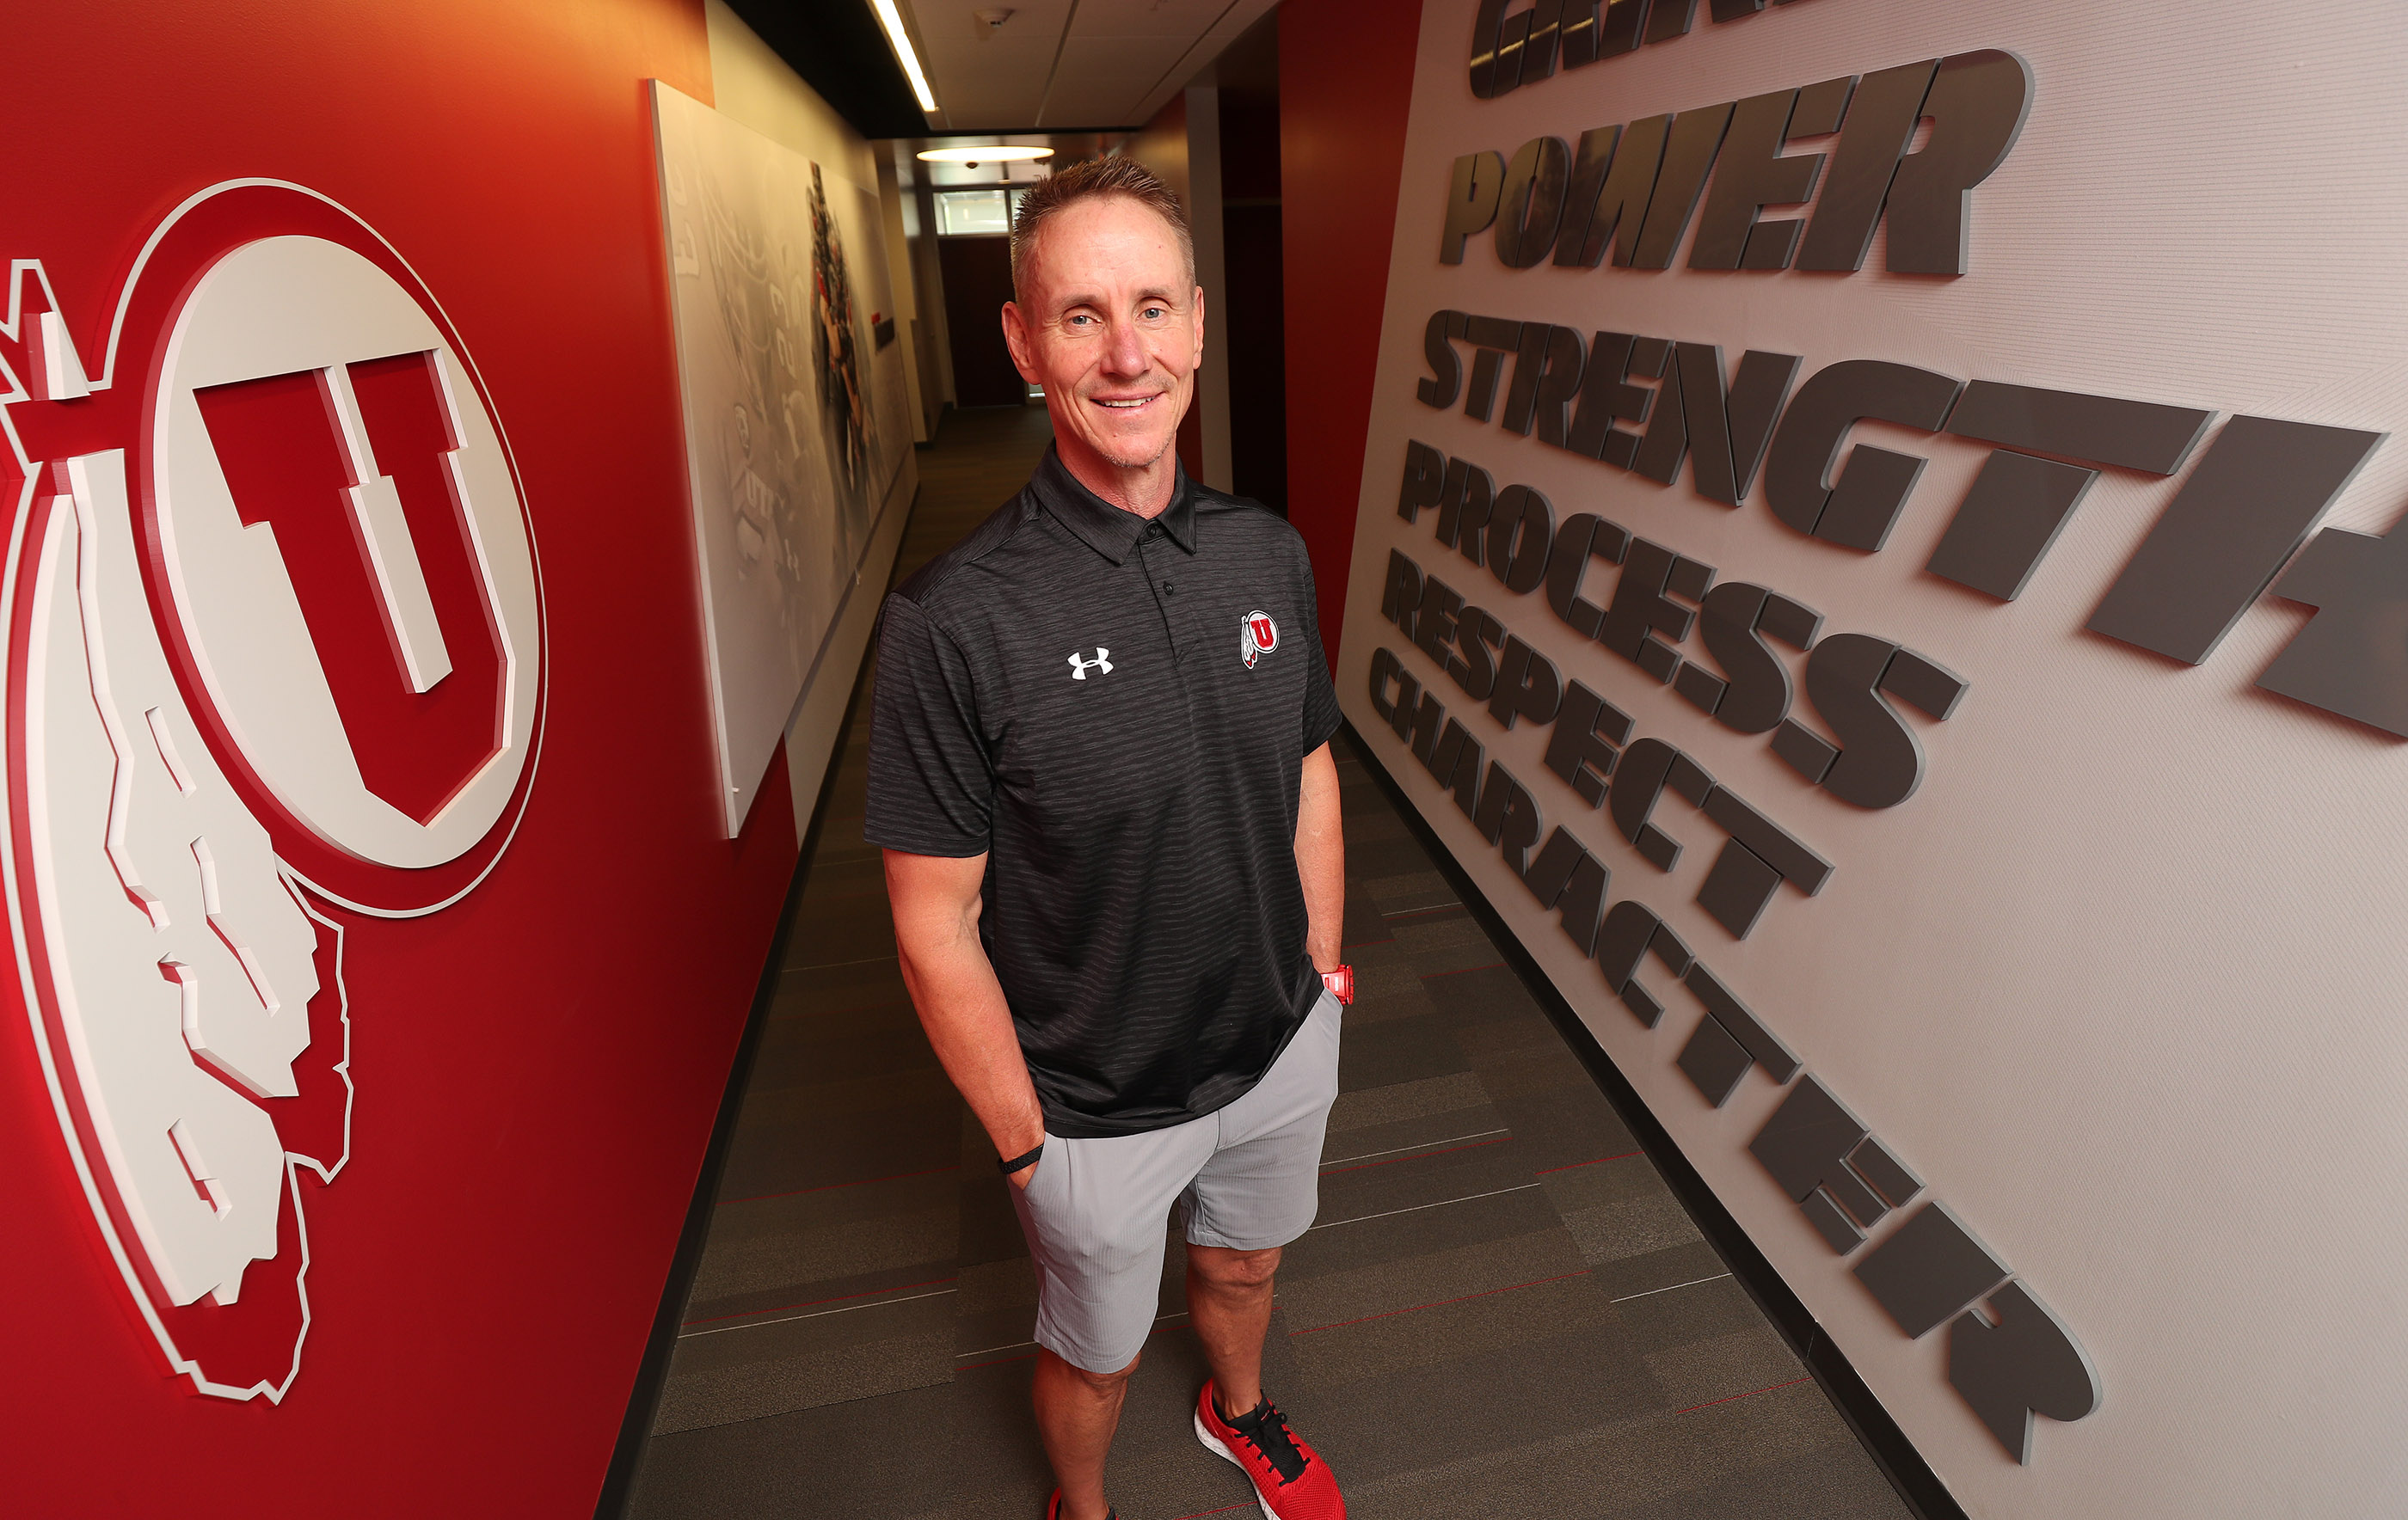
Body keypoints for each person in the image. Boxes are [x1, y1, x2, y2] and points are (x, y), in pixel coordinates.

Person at [866, 156, 1350, 1520]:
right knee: (1099, 1354)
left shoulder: (1268, 552)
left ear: (1198, 322)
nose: (1127, 353)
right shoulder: (954, 622)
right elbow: (931, 921)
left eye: (1152, 308)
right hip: (1090, 1110)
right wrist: (1029, 1148)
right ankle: (1082, 1511)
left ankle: (1241, 1409)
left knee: (1247, 1271)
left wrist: (1324, 974)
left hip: (1275, 1045)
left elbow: (1308, 761)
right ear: (1023, 344)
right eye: (1081, 316)